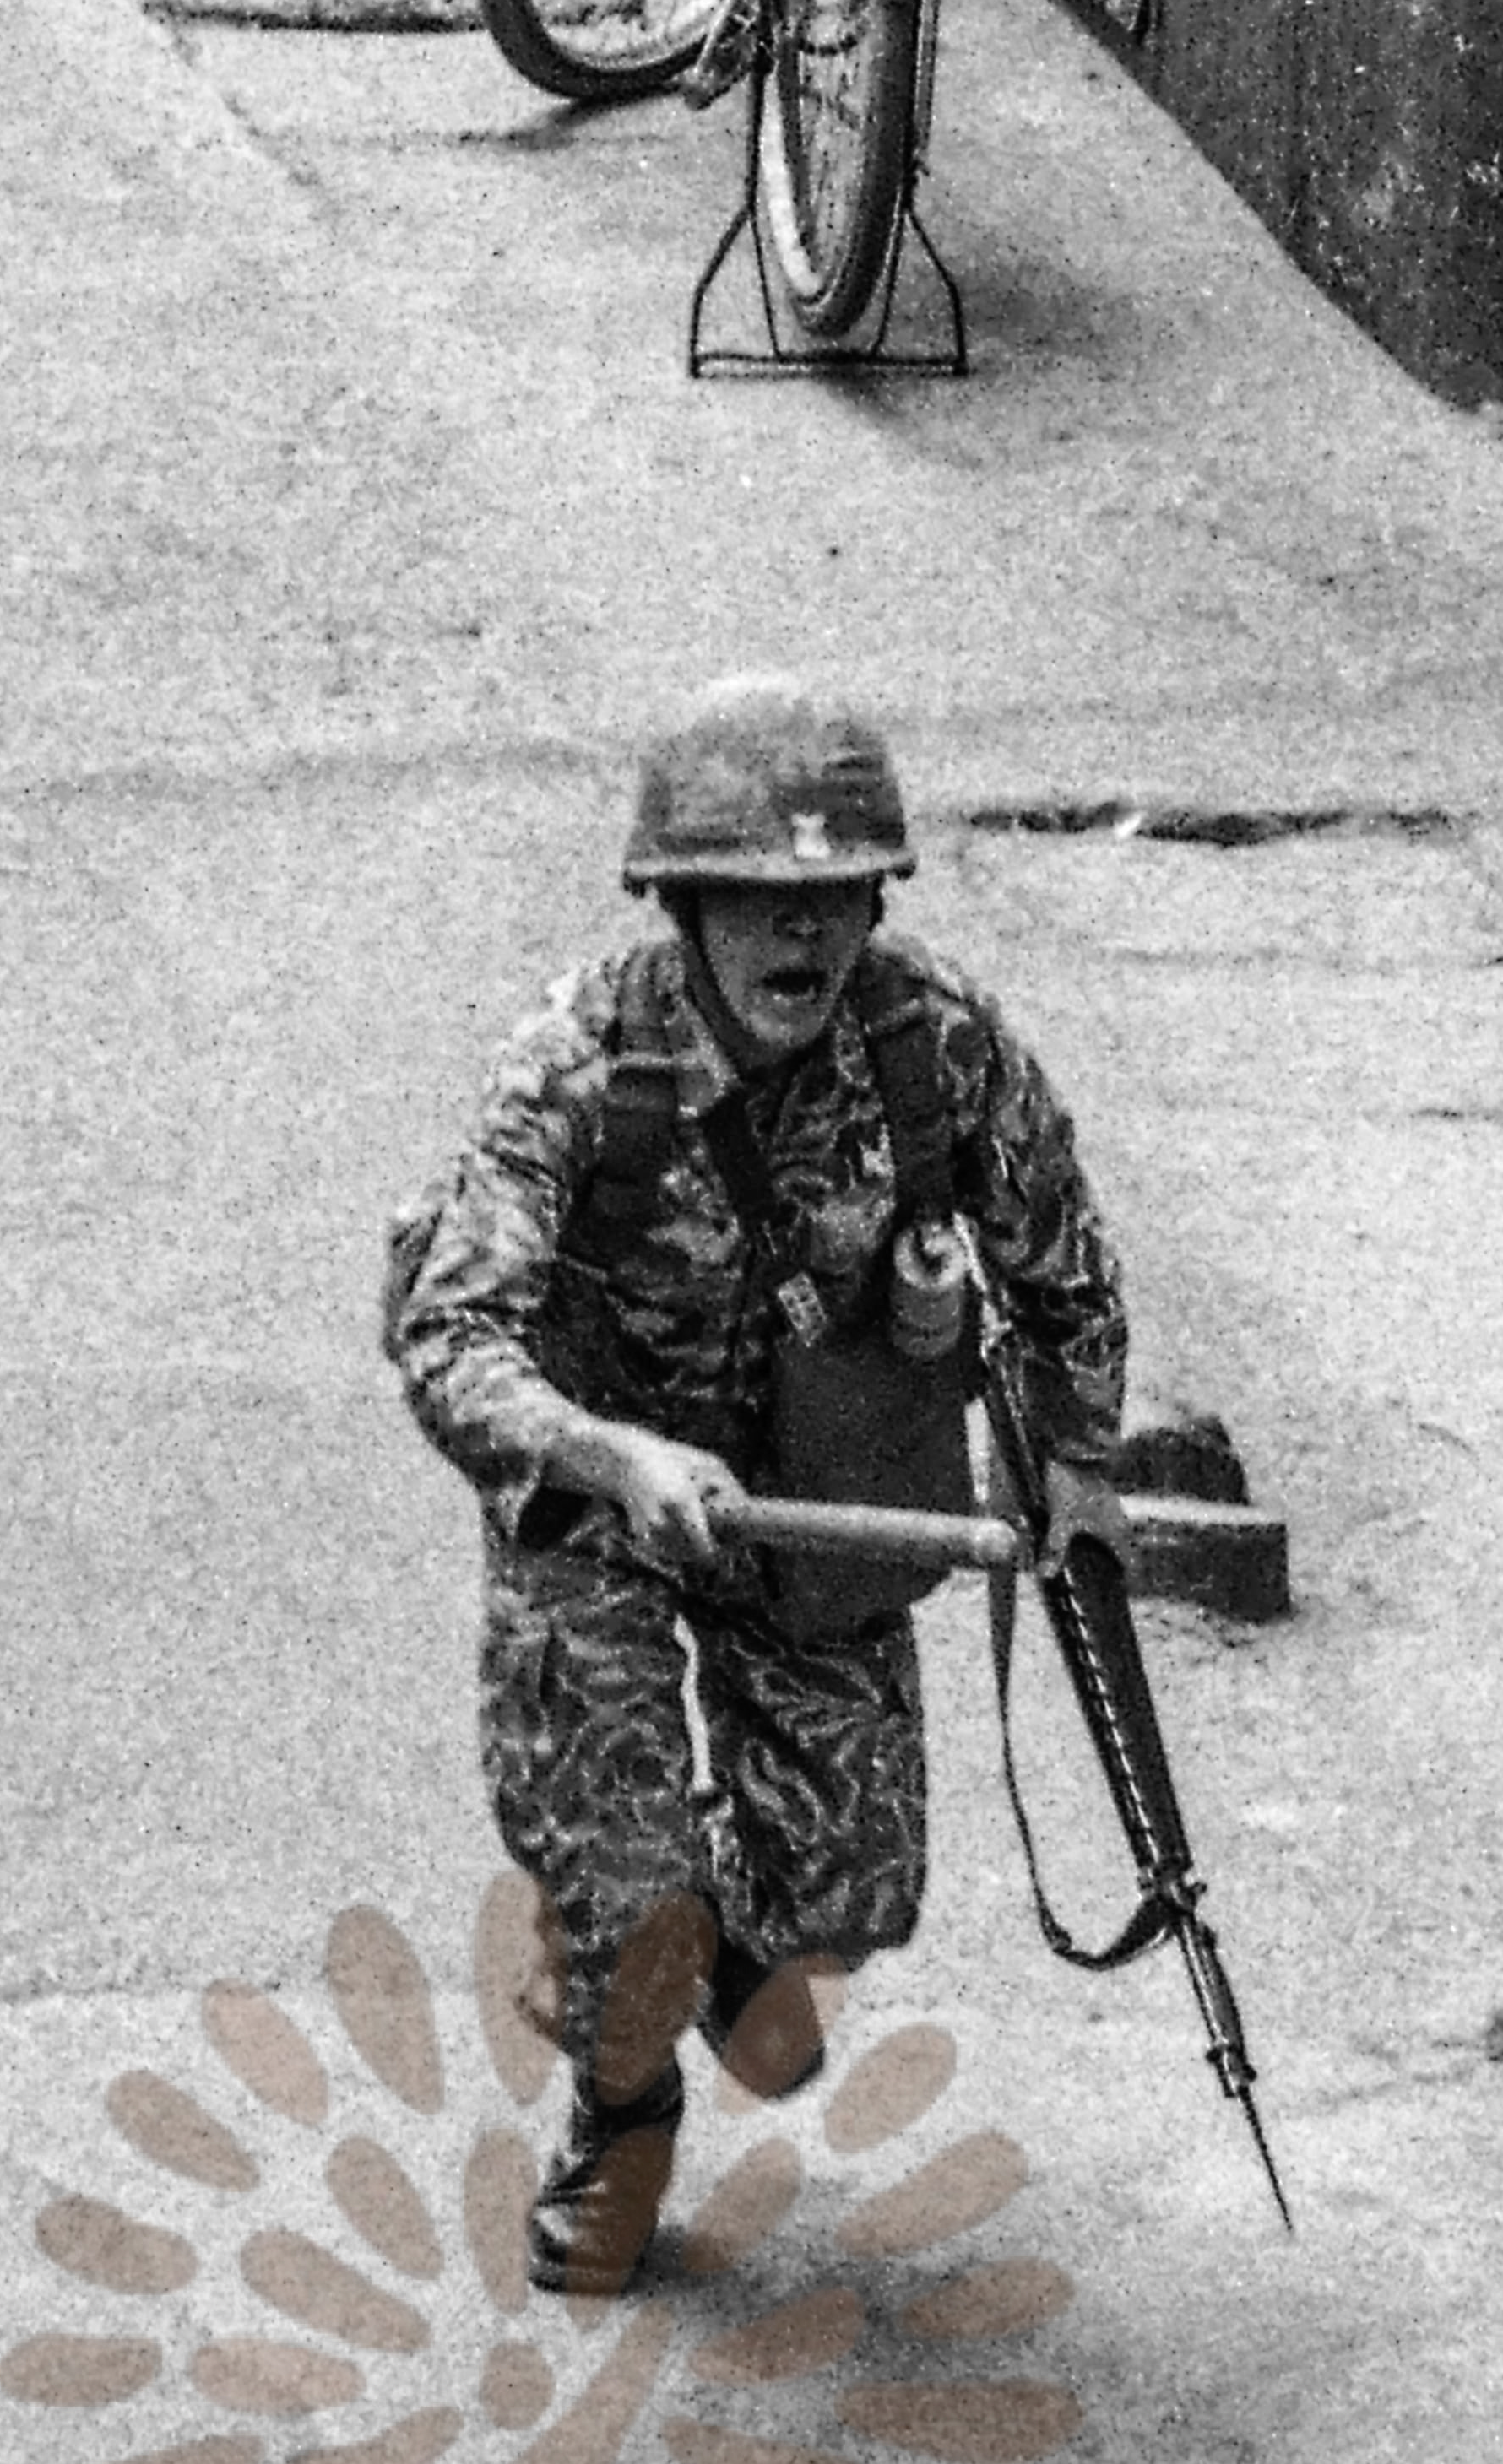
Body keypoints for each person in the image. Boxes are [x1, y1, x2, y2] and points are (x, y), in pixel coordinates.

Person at [383, 673, 1135, 2295]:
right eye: (764, 903)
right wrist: (607, 1454)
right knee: (635, 1904)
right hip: (599, 1515)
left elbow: (1062, 1266)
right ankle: (621, 2090)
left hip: (812, 1503)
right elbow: (452, 1342)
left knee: (835, 1933)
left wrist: (1074, 1461)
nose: (804, 940)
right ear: (687, 902)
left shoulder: (932, 1046)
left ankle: (674, 1947)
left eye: (838, 898)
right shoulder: (579, 1062)